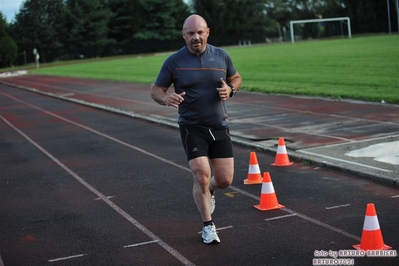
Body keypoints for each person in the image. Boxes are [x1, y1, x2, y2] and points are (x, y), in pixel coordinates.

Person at [150, 14, 242, 244]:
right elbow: (156, 89)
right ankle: (208, 226)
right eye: (190, 33)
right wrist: (166, 99)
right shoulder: (174, 61)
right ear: (184, 35)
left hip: (219, 125)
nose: (196, 37)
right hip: (192, 126)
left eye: (200, 32)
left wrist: (231, 90)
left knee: (224, 180)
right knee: (201, 174)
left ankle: (210, 190)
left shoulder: (222, 56)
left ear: (207, 32)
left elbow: (237, 78)